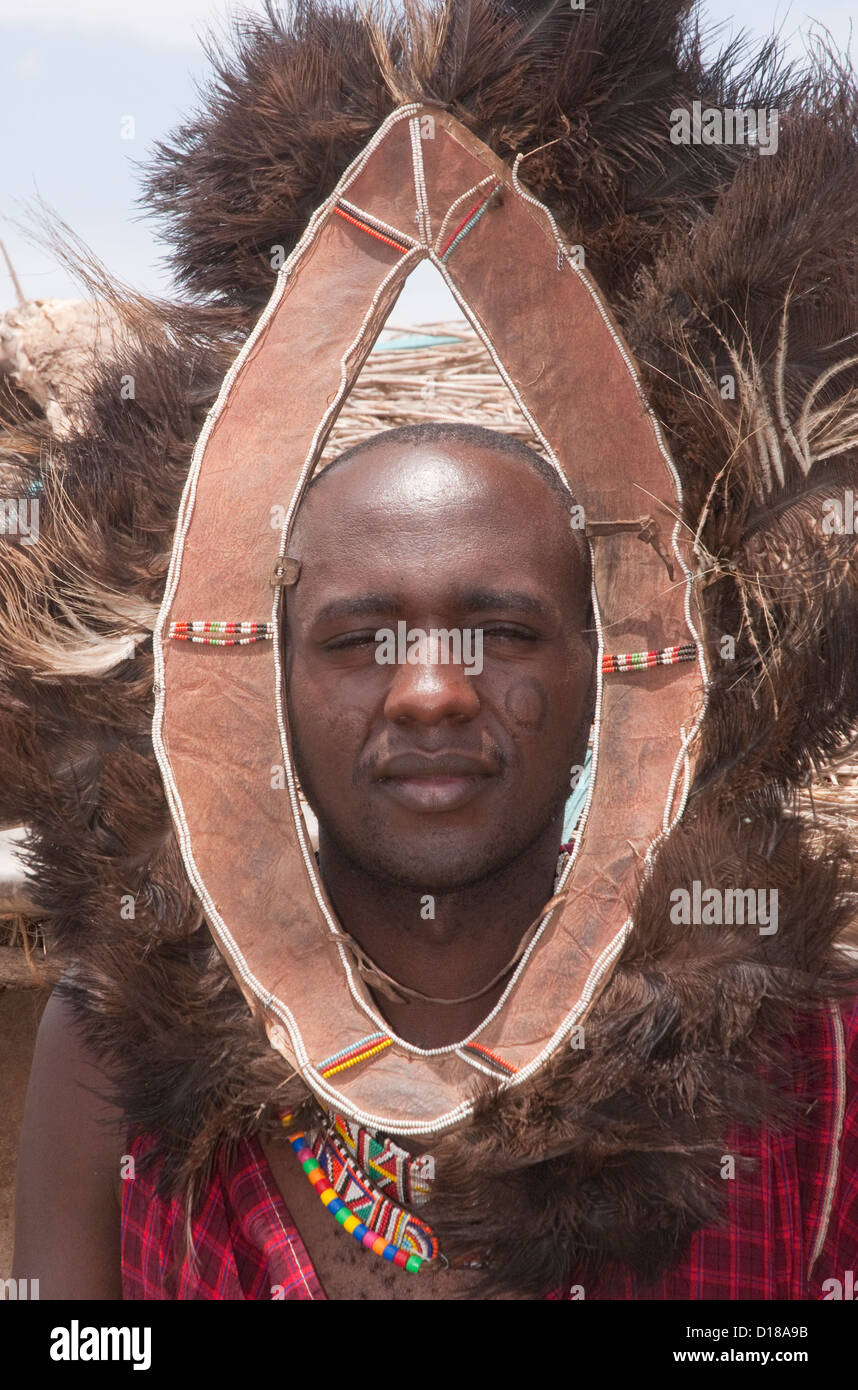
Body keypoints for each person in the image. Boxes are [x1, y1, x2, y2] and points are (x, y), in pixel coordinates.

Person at [6, 0, 858, 1302]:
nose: (432, 686)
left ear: (606, 673)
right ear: (269, 679)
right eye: (358, 638)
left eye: (502, 627)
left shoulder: (808, 1063)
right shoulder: (111, 1039)